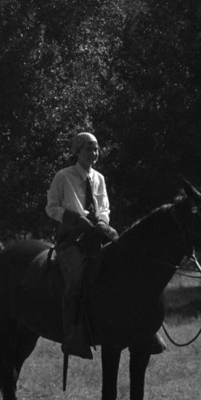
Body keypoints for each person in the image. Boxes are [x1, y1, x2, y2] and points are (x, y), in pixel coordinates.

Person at [46, 130, 117, 360]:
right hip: (72, 240)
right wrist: (75, 219)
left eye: (96, 149)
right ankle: (73, 334)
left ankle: (143, 328)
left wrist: (103, 223)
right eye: (89, 148)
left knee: (125, 265)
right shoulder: (63, 176)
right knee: (75, 279)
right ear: (77, 151)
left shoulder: (99, 178)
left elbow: (104, 207)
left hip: (97, 236)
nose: (94, 153)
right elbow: (51, 207)